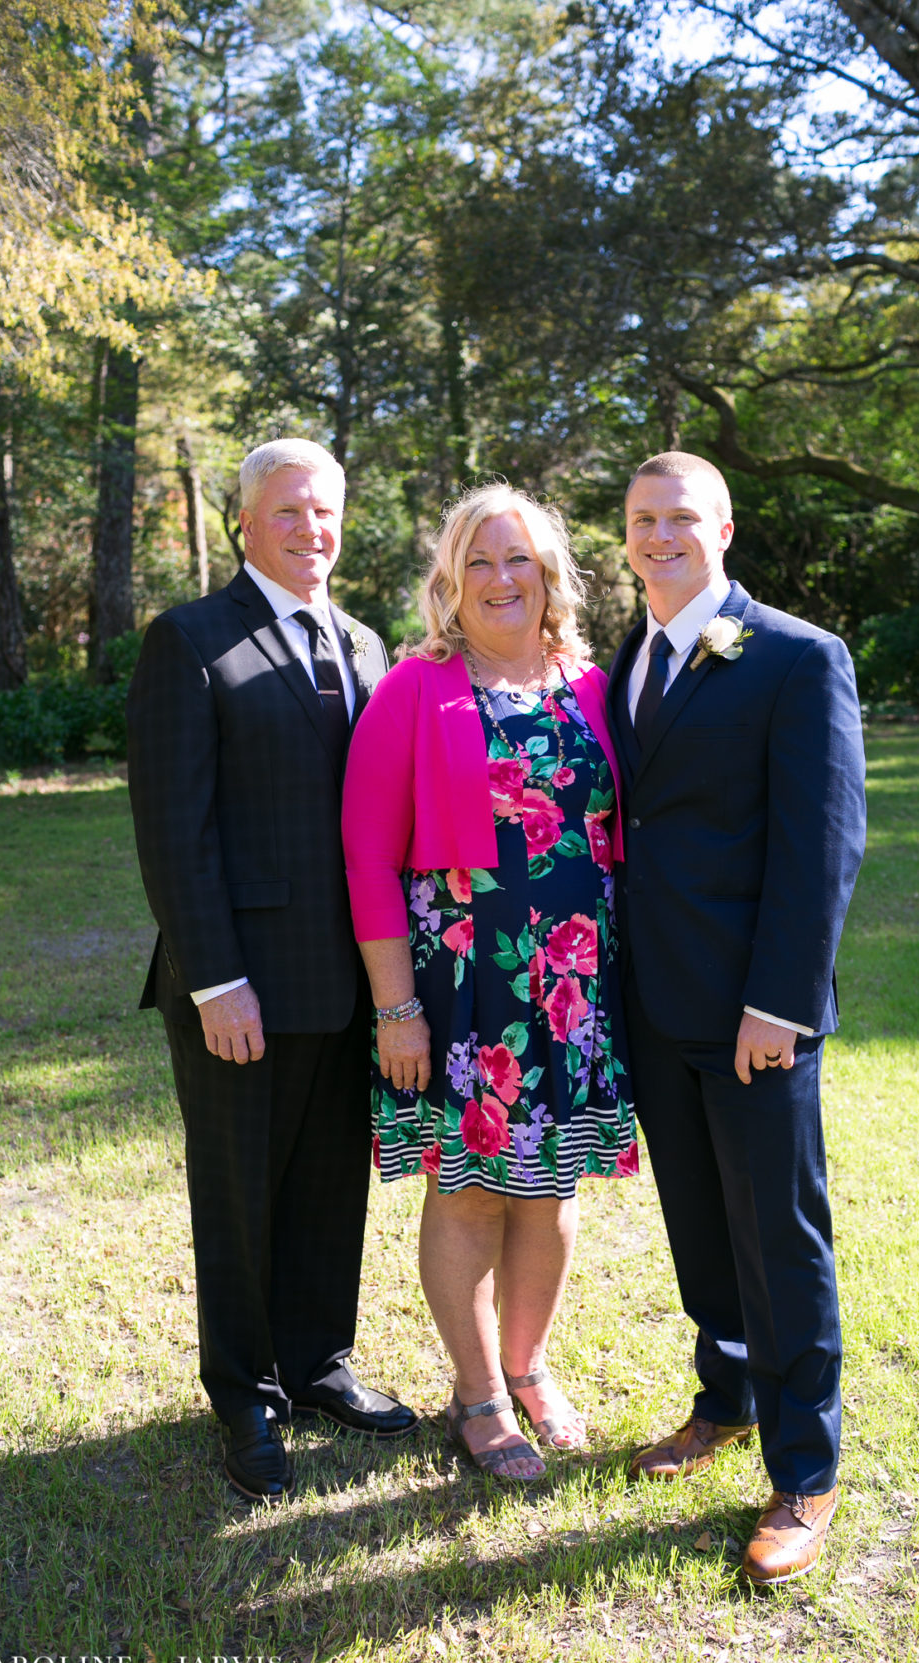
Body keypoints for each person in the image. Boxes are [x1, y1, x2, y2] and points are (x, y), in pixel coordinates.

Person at [126, 437, 418, 1504]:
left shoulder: (366, 642)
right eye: (288, 510)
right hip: (240, 983)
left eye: (325, 510)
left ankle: (317, 1362)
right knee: (239, 1191)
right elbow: (173, 829)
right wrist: (214, 979)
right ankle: (244, 1392)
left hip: (352, 978)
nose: (310, 529)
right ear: (246, 521)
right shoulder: (190, 640)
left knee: (331, 1182)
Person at [342, 485, 637, 1481]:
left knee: (549, 1187)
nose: (500, 578)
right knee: (468, 1190)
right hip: (464, 985)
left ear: (549, 576)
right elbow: (367, 857)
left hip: (573, 983)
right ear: (450, 580)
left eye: (518, 559)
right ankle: (477, 1399)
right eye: (478, 560)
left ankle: (528, 1367)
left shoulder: (588, 683)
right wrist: (397, 1009)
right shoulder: (413, 689)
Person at [607, 451, 866, 1583]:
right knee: (700, 1226)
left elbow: (823, 843)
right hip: (652, 1001)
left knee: (779, 1237)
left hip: (753, 1011)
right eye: (641, 519)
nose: (658, 535)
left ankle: (804, 1470)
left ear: (721, 529)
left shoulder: (798, 656)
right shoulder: (627, 656)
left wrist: (780, 1004)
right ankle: (722, 1401)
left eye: (680, 517)